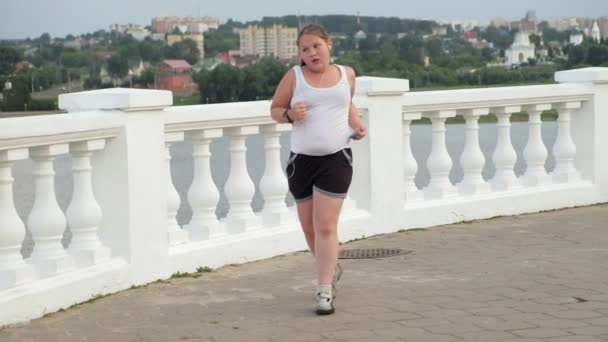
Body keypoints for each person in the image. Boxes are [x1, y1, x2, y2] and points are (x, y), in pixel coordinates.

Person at [270, 24, 367, 315]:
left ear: (329, 44)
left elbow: (347, 104)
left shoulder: (346, 74)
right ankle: (331, 266)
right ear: (299, 54)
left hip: (336, 159)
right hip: (301, 162)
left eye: (316, 46)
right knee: (309, 228)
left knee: (325, 225)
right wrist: (289, 114)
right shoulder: (294, 77)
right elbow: (275, 109)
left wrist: (356, 124)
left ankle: (324, 289)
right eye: (304, 49)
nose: (311, 53)